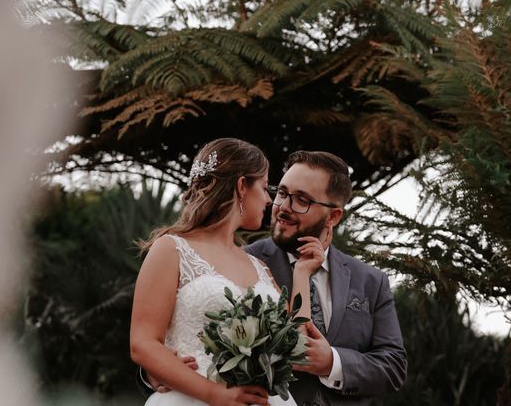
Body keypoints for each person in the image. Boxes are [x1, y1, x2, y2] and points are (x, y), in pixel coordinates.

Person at [147, 150, 407, 406]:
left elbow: (393, 365)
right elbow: (168, 334)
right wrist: (156, 370)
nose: (281, 207)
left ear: (334, 216)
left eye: (302, 199)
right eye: (282, 193)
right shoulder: (240, 261)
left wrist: (332, 362)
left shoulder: (371, 281)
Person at [130, 138, 324, 406]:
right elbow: (142, 343)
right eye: (265, 187)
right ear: (242, 186)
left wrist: (302, 274)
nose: (269, 200)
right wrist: (215, 394)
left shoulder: (259, 267)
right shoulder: (172, 249)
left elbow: (295, 346)